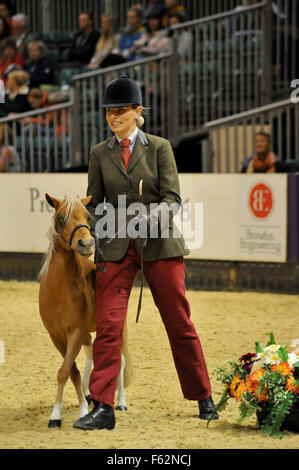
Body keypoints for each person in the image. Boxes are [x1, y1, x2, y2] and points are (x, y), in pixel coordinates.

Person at [73, 75, 219, 431]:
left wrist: (154, 216)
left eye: (120, 111)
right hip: (116, 246)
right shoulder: (98, 153)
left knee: (178, 321)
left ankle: (203, 395)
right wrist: (86, 231)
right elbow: (96, 203)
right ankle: (102, 406)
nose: (113, 117)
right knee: (108, 325)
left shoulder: (160, 148)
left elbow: (173, 199)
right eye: (109, 111)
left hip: (159, 243)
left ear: (138, 112)